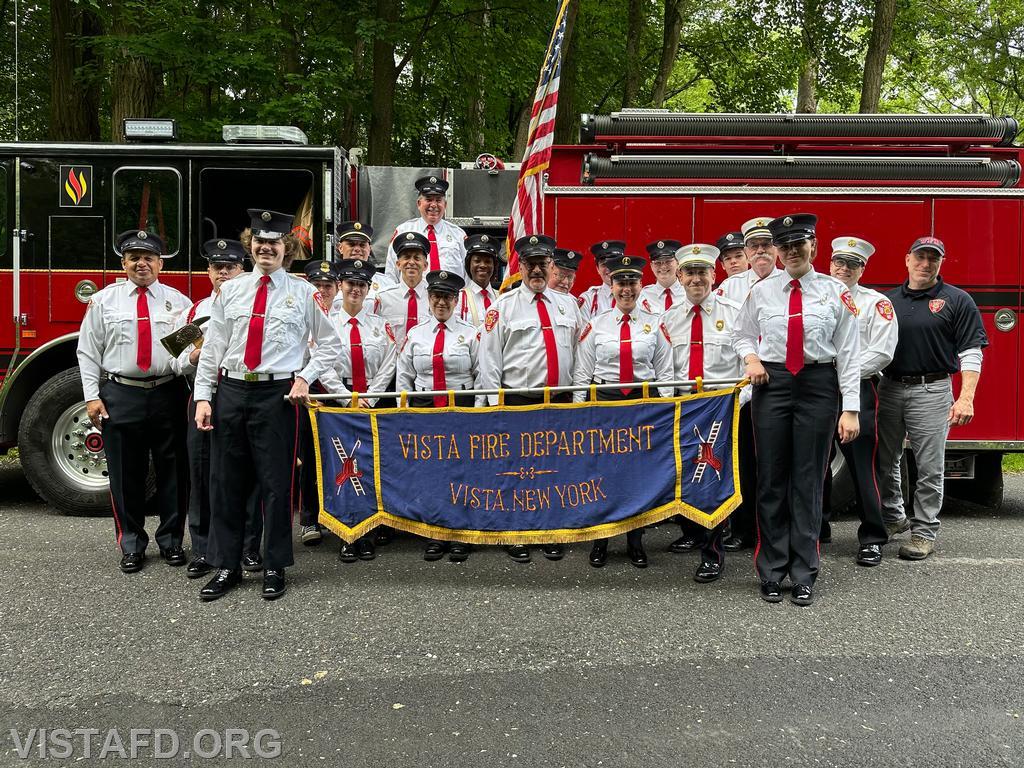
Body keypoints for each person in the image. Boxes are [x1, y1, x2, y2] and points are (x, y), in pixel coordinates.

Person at [193, 209, 343, 602]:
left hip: (277, 396)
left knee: (277, 485)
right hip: (232, 391)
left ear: (285, 248)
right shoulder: (231, 290)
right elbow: (214, 348)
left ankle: (274, 564)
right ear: (250, 246)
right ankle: (227, 564)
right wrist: (204, 397)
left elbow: (330, 346)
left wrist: (304, 377)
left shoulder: (303, 293)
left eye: (274, 242)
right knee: (226, 481)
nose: (266, 248)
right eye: (259, 241)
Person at [732, 214, 860, 607]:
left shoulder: (835, 292)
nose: (790, 252)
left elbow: (850, 352)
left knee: (808, 480)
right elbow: (740, 333)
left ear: (813, 247)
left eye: (798, 244)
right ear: (776, 251)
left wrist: (850, 408)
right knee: (771, 479)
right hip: (772, 385)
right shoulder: (761, 291)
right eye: (783, 246)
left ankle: (804, 572)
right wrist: (751, 358)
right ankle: (771, 570)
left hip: (818, 386)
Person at [77, 229, 192, 573]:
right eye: (135, 258)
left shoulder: (179, 303)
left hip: (167, 390)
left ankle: (171, 540)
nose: (142, 263)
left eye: (149, 258)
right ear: (123, 263)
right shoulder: (104, 301)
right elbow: (88, 351)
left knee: (174, 471)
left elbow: (185, 352)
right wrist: (91, 397)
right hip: (121, 392)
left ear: (160, 263)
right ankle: (131, 542)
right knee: (126, 472)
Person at [876, 236, 987, 561]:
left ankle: (923, 533)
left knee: (929, 467)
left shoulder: (957, 300)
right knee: (885, 460)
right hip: (891, 387)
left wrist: (966, 398)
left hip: (933, 390)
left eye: (933, 259)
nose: (926, 264)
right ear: (907, 259)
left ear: (940, 263)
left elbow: (971, 351)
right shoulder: (888, 301)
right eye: (921, 257)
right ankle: (894, 517)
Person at [478, 234, 583, 563]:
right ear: (519, 266)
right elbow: (489, 362)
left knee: (554, 472)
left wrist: (578, 400)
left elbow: (580, 356)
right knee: (516, 473)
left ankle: (551, 531)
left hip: (559, 401)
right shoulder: (502, 308)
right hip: (519, 402)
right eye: (530, 264)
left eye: (542, 263)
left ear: (552, 266)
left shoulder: (569, 304)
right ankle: (517, 532)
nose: (536, 270)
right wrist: (493, 408)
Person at [573, 254, 672, 568]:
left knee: (638, 474)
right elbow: (581, 373)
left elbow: (665, 372)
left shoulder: (655, 323)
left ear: (641, 285)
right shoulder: (596, 324)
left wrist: (665, 409)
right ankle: (601, 540)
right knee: (604, 471)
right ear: (611, 286)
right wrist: (579, 410)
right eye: (620, 283)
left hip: (642, 402)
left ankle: (635, 540)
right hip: (607, 400)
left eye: (632, 282)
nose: (626, 289)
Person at [172, 239, 264, 577]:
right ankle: (203, 549)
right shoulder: (195, 312)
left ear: (243, 269)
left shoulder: (255, 304)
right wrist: (196, 355)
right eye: (216, 267)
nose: (223, 272)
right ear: (208, 272)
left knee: (249, 475)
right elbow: (175, 361)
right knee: (202, 473)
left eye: (230, 266)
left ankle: (249, 548)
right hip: (203, 397)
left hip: (243, 395)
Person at [661, 243, 746, 582]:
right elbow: (666, 370)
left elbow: (748, 363)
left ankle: (713, 553)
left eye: (703, 272)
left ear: (715, 274)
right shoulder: (668, 319)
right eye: (690, 273)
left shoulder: (736, 312)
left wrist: (739, 402)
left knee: (714, 478)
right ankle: (693, 532)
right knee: (685, 475)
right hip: (685, 409)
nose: (697, 279)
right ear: (679, 277)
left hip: (724, 407)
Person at [397, 270, 480, 563]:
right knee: (430, 470)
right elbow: (404, 375)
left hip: (460, 404)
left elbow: (481, 375)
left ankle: (460, 532)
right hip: (425, 406)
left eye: (447, 297)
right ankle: (434, 532)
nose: (441, 302)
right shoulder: (416, 334)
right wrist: (405, 411)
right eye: (436, 296)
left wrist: (479, 411)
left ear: (456, 300)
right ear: (428, 299)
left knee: (461, 469)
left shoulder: (471, 333)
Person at [320, 258, 399, 562]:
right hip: (340, 406)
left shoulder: (382, 326)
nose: (355, 289)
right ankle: (345, 533)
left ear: (368, 290)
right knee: (342, 470)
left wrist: (371, 397)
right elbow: (321, 365)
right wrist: (345, 397)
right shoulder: (326, 324)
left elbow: (390, 362)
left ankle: (368, 532)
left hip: (370, 403)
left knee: (371, 469)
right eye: (350, 283)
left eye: (361, 285)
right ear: (341, 286)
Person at [827, 237, 899, 566]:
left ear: (862, 269)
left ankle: (872, 535)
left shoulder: (876, 304)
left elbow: (882, 353)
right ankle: (817, 526)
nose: (844, 269)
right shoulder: (817, 297)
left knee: (863, 465)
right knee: (816, 462)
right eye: (839, 262)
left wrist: (844, 372)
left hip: (859, 389)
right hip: (820, 390)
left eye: (851, 264)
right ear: (829, 264)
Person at [714, 216, 781, 552]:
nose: (760, 252)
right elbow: (725, 339)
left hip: (778, 386)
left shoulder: (789, 283)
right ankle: (743, 530)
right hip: (742, 389)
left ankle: (775, 529)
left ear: (777, 249)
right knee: (742, 464)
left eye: (766, 245)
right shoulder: (730, 288)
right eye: (754, 246)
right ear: (747, 251)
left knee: (774, 463)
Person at [295, 258, 343, 547]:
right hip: (310, 391)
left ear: (337, 287)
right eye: (317, 285)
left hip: (336, 397)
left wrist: (343, 397)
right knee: (310, 457)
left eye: (328, 285)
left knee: (341, 459)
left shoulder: (339, 316)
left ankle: (337, 515)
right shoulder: (304, 311)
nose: (323, 290)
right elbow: (317, 361)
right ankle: (309, 518)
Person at [384, 175, 468, 281]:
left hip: (449, 296)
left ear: (445, 205)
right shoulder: (403, 231)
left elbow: (468, 274)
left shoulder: (458, 234)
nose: (433, 205)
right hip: (413, 296)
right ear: (419, 204)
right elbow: (391, 273)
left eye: (438, 200)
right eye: (428, 199)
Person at [374, 232, 432, 351]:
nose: (411, 262)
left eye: (417, 258)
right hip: (393, 364)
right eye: (406, 257)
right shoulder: (383, 298)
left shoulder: (435, 297)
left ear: (425, 265)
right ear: (398, 264)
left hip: (424, 365)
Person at [336, 220, 395, 301]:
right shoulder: (329, 283)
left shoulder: (386, 284)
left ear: (370, 249)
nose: (357, 249)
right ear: (340, 248)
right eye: (351, 244)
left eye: (362, 245)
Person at [458, 234, 501, 327]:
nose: (482, 265)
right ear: (469, 265)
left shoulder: (502, 299)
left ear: (494, 266)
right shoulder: (459, 299)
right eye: (477, 261)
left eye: (488, 261)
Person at [578, 240, 622, 319]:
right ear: (597, 269)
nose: (609, 268)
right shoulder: (588, 299)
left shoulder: (637, 297)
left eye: (613, 263)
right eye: (604, 264)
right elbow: (584, 331)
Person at [639, 239, 684, 313]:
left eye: (668, 261)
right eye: (658, 263)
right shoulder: (643, 296)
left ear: (678, 263)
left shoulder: (688, 293)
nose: (663, 267)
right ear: (651, 266)